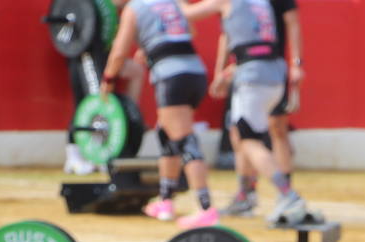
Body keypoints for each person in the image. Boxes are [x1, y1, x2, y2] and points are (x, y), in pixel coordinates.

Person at [101, 0, 222, 228]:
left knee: (184, 140)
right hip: (194, 72)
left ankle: (206, 208)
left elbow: (119, 52)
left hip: (171, 76)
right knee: (166, 133)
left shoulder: (134, 9)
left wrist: (108, 80)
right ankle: (165, 201)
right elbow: (188, 30)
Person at [207, 0, 312, 227]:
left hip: (269, 67)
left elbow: (292, 24)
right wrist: (221, 71)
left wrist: (296, 63)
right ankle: (246, 194)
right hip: (248, 67)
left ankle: (285, 191)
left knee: (274, 130)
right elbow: (227, 33)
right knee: (240, 136)